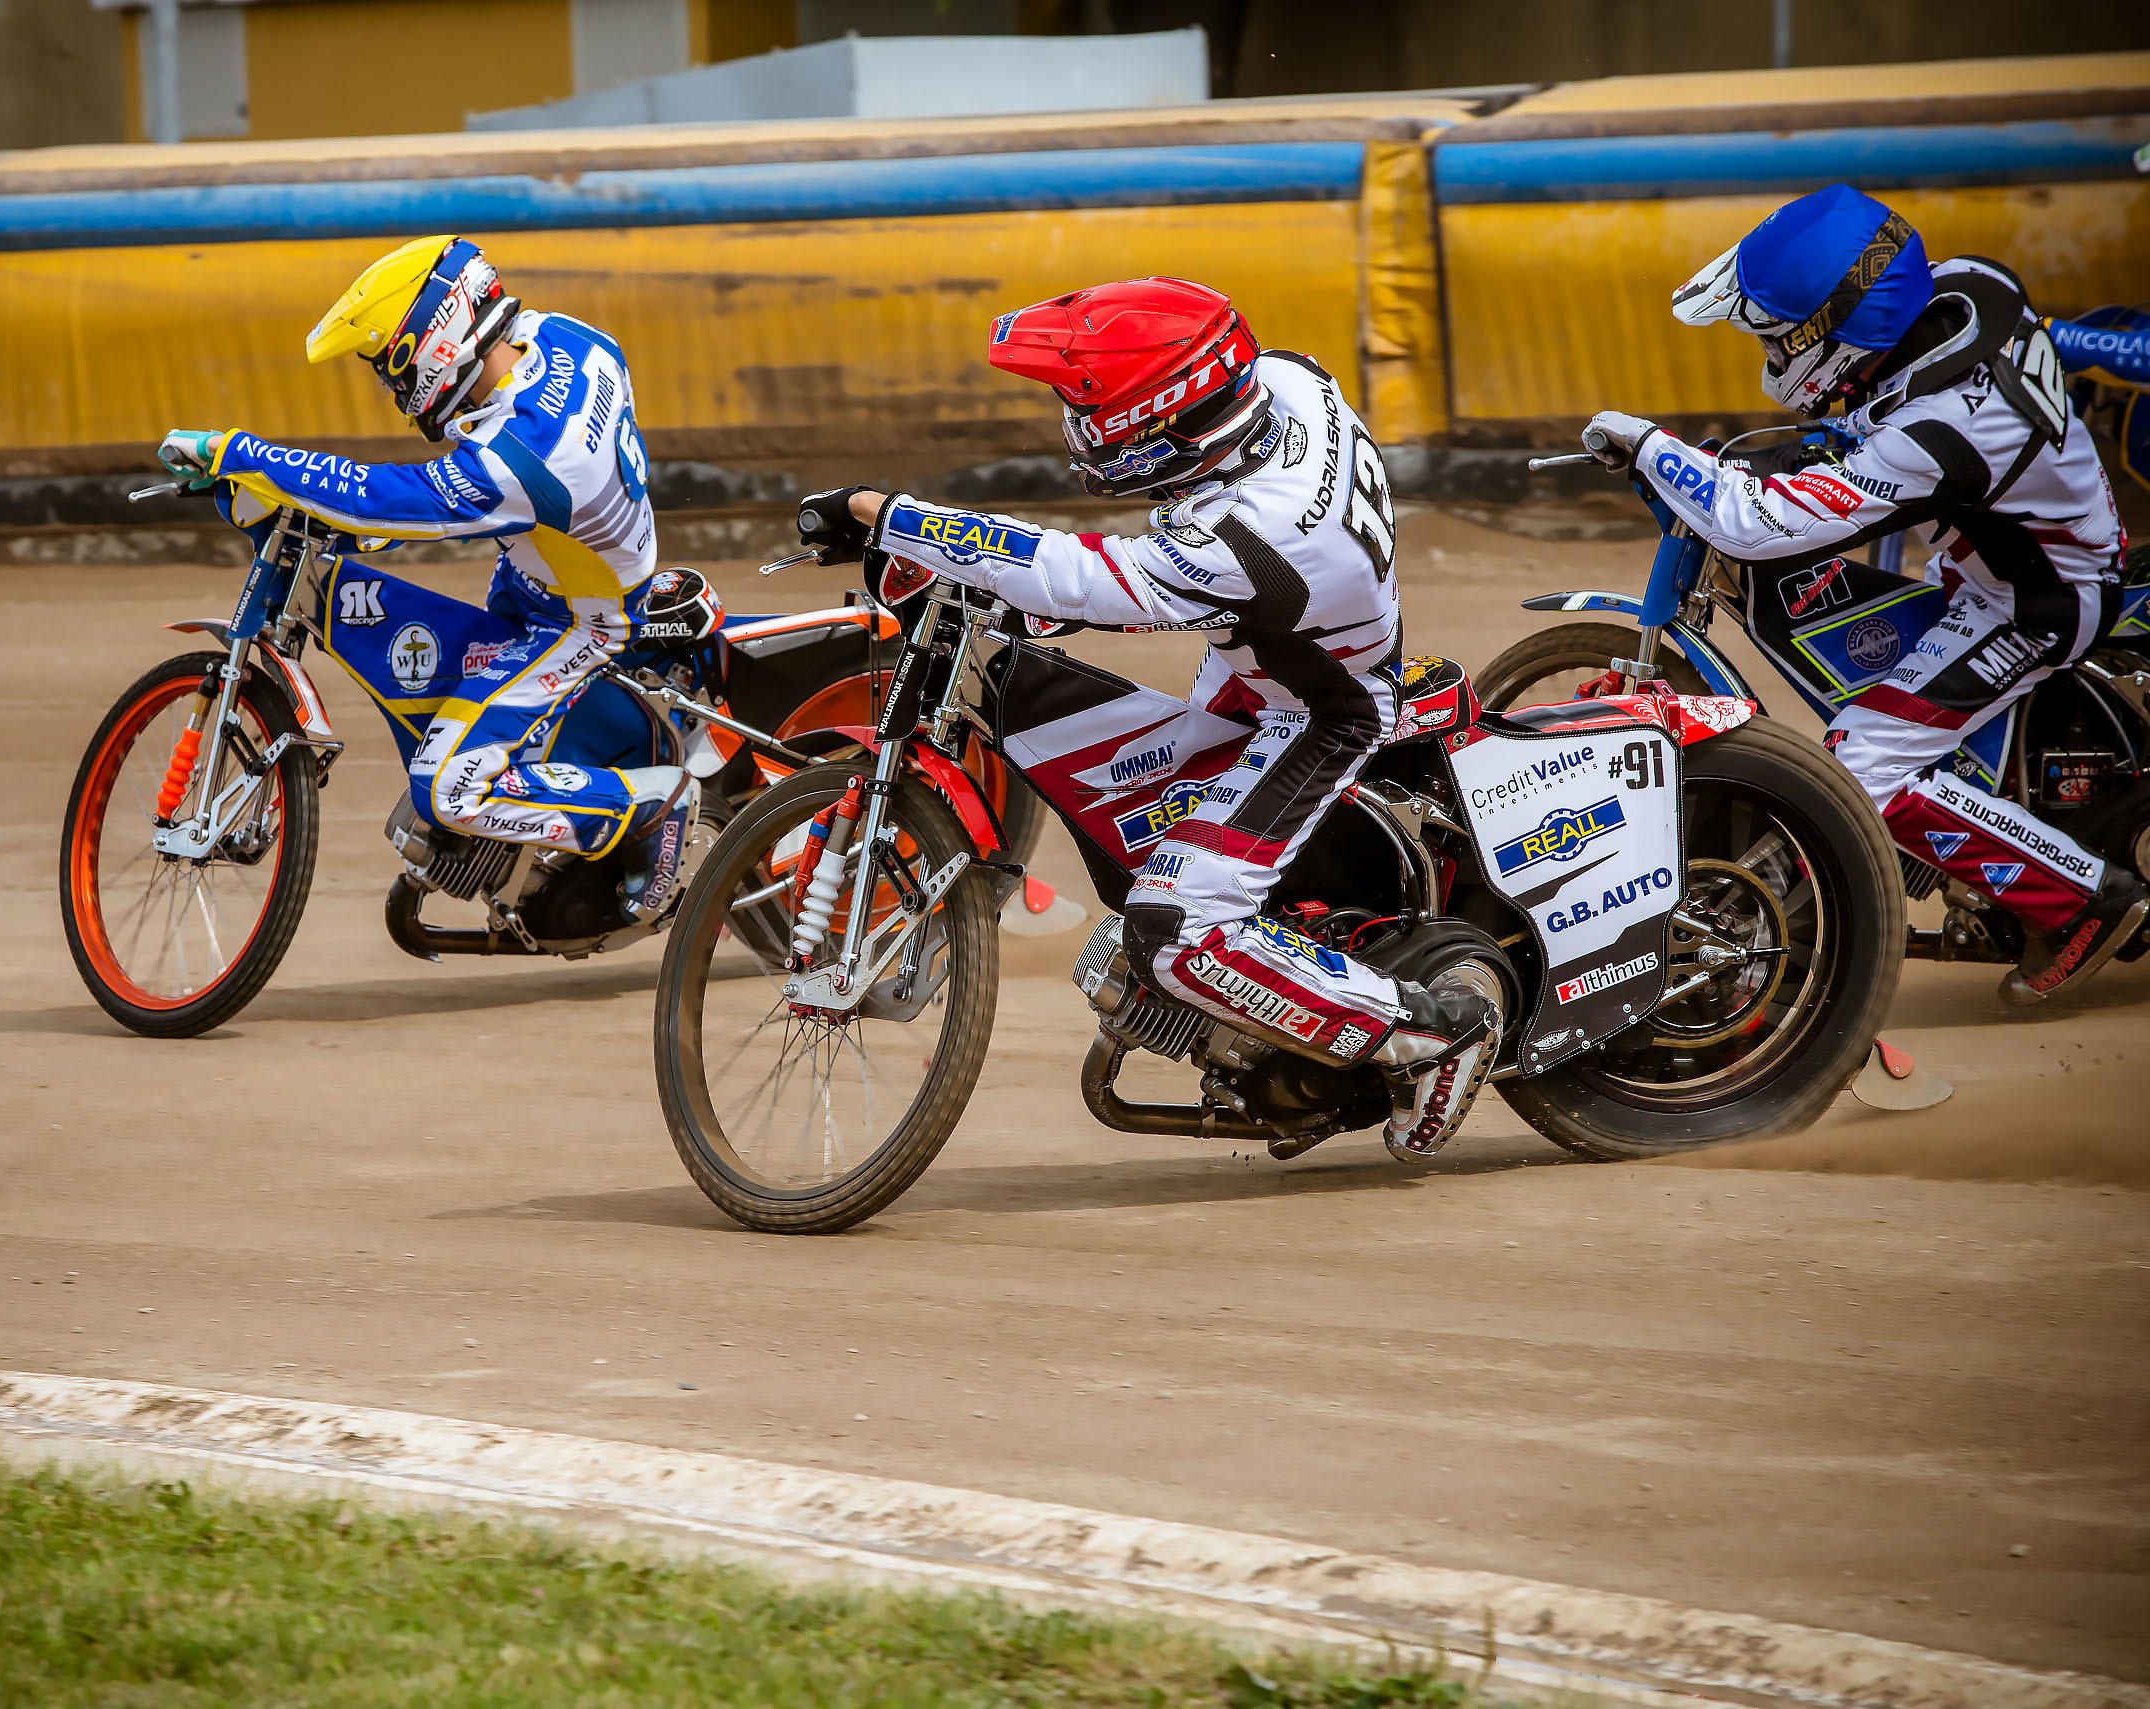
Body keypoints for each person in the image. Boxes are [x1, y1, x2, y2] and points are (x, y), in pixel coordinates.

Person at [795, 277, 1500, 1160]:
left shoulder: (1259, 537)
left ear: (1165, 420)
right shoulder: (1282, 381)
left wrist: (882, 514)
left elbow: (1075, 574)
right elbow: (1100, 583)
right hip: (1268, 653)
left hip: (1320, 714)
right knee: (1140, 816)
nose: (1081, 430)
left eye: (1096, 415)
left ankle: (1429, 1033)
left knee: (1172, 929)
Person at [1582, 184, 2146, 1003]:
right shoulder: (1965, 284)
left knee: (1863, 765)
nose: (1771, 358)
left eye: (1777, 341)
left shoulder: (1941, 433)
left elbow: (1762, 524)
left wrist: (1651, 448)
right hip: (2008, 545)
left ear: (1836, 335)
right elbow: (1881, 414)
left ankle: (2084, 901)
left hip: (2033, 604)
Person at [154, 235, 721, 920]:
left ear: (439, 336)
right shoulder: (566, 338)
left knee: (448, 785)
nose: (395, 392)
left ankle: (645, 808)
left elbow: (392, 499)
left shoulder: (526, 456)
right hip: (546, 572)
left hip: (579, 623)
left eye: (393, 367)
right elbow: (424, 509)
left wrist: (241, 452)